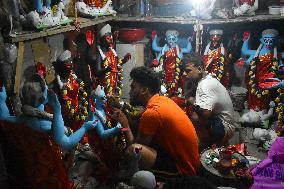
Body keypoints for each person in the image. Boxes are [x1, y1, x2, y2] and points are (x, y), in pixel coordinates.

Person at [112, 66, 199, 180]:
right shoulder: (163, 100)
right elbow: (138, 119)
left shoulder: (152, 113)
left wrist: (125, 125)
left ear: (144, 90)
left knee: (133, 151)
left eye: (133, 88)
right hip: (188, 159)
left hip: (183, 170)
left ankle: (131, 179)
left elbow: (135, 147)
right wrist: (121, 108)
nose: (130, 92)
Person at [182, 54, 235, 149]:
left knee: (194, 118)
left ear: (199, 69)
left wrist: (191, 101)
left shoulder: (205, 85)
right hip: (223, 121)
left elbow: (206, 113)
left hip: (224, 126)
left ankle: (210, 146)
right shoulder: (207, 78)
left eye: (188, 71)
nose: (184, 74)